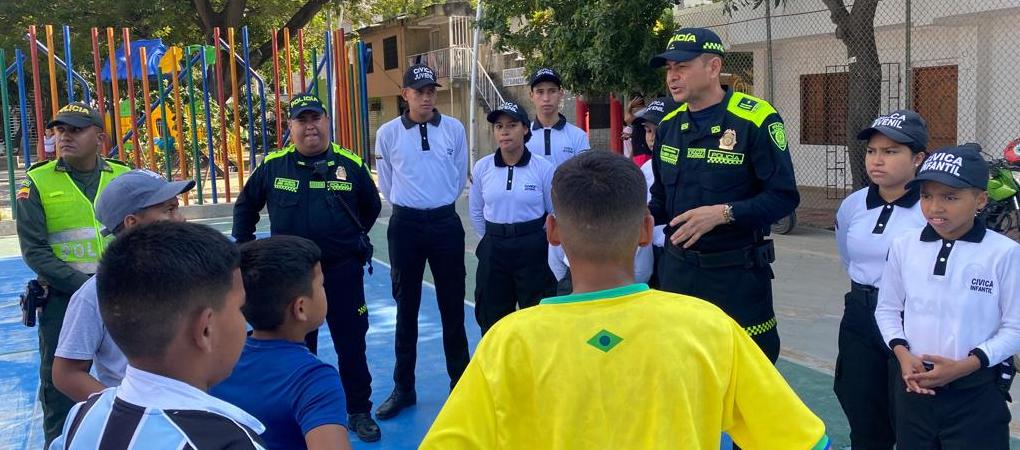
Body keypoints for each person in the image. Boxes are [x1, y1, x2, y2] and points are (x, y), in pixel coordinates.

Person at [419, 151, 830, 449]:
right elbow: (803, 441)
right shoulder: (709, 328)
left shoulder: (508, 342)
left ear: (552, 231)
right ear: (645, 229)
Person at [233, 94, 382, 442]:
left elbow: (370, 208)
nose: (310, 126)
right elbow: (245, 207)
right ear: (291, 127)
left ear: (327, 122)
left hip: (342, 272)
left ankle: (359, 410)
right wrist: (245, 251)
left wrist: (345, 239)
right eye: (302, 120)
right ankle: (296, 410)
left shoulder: (350, 165)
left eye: (316, 118)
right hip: (291, 278)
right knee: (294, 345)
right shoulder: (273, 166)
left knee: (351, 342)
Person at [648, 27, 799, 362]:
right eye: (669, 69)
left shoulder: (755, 119)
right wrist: (631, 219)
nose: (672, 77)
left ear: (713, 67)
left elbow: (784, 197)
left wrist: (723, 213)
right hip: (678, 275)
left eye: (682, 67)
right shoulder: (669, 126)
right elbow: (660, 201)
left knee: (747, 375)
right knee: (680, 371)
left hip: (736, 276)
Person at [50, 222, 265, 449]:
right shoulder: (227, 440)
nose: (244, 323)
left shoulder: (80, 417)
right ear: (206, 329)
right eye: (239, 309)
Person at [876, 144, 1020, 449]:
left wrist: (968, 364)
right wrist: (902, 353)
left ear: (980, 200)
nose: (935, 207)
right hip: (914, 390)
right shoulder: (904, 246)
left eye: (950, 197)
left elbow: (1015, 327)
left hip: (976, 394)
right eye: (927, 196)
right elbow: (887, 309)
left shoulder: (1005, 253)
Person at [15, 102, 131, 445]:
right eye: (60, 129)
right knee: (59, 384)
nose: (64, 136)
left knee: (135, 372)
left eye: (75, 129)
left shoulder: (124, 176)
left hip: (128, 295)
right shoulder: (36, 182)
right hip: (64, 300)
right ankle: (60, 441)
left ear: (100, 138)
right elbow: (35, 251)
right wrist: (90, 289)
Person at [374, 64, 471, 420]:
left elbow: (459, 174)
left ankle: (461, 384)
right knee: (406, 309)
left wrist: (438, 202)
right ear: (406, 95)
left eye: (431, 90)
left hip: (445, 223)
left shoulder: (454, 129)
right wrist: (413, 204)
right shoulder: (387, 133)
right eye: (419, 91)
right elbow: (386, 181)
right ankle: (404, 388)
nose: (427, 96)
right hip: (406, 227)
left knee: (452, 309)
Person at [53, 170, 194, 402]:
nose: (181, 219)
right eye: (169, 210)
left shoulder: (192, 275)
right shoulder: (96, 293)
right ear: (132, 223)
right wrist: (124, 409)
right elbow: (66, 373)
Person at [832, 110, 929, 450]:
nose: (877, 160)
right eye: (873, 151)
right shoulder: (854, 205)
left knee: (909, 409)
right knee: (859, 399)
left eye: (890, 152)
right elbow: (848, 255)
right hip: (861, 312)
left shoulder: (930, 209)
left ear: (917, 158)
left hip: (910, 318)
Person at [212, 236, 353, 450]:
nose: (326, 290)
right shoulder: (314, 380)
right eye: (321, 285)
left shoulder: (218, 359)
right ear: (301, 308)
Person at [469, 101, 556, 334]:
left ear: (525, 129)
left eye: (511, 125)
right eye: (499, 126)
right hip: (494, 247)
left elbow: (553, 212)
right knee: (492, 320)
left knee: (537, 318)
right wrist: (491, 238)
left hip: (533, 248)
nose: (504, 131)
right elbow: (477, 211)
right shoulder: (482, 167)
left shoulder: (543, 168)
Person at [525, 68, 591, 167]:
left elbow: (585, 174)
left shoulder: (577, 136)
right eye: (540, 92)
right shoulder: (522, 136)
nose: (546, 98)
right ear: (531, 96)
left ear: (561, 94)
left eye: (552, 91)